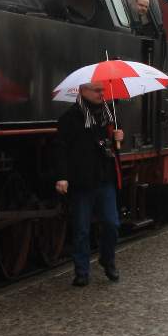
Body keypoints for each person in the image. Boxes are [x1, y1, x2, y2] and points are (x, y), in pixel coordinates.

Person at [52, 82, 124, 286]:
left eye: (102, 90)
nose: (102, 93)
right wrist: (62, 176)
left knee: (112, 224)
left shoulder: (109, 115)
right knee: (81, 229)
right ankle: (82, 272)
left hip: (105, 178)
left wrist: (119, 138)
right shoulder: (70, 117)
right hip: (82, 181)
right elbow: (60, 148)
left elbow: (112, 147)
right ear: (83, 91)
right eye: (97, 90)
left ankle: (107, 259)